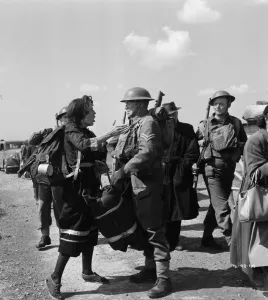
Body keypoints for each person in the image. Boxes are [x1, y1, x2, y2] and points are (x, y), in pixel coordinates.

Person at [45, 95, 128, 300]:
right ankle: (54, 278)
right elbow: (83, 145)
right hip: (74, 191)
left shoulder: (87, 131)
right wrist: (110, 133)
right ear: (82, 114)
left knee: (90, 232)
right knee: (73, 233)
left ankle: (87, 271)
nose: (95, 114)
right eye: (91, 111)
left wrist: (99, 162)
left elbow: (93, 153)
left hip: (89, 188)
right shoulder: (70, 130)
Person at [108, 87, 172, 299]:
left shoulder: (148, 123)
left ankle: (163, 279)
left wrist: (123, 170)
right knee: (143, 229)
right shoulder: (133, 124)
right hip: (135, 183)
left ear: (142, 104)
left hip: (146, 184)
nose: (126, 106)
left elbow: (148, 151)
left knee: (154, 229)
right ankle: (150, 268)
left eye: (130, 102)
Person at [196, 90, 247, 250]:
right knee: (222, 208)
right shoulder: (204, 125)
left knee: (216, 204)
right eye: (216, 103)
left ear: (228, 105)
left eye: (222, 103)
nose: (218, 106)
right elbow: (192, 145)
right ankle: (235, 245)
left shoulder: (236, 123)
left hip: (229, 170)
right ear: (212, 105)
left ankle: (206, 238)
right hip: (212, 171)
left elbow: (244, 144)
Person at [230, 107, 268, 289]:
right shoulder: (256, 141)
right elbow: (254, 175)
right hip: (260, 198)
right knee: (259, 243)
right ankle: (259, 275)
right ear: (266, 119)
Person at [160, 102, 199, 252]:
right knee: (162, 208)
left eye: (174, 114)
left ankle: (174, 241)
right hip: (162, 173)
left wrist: (182, 169)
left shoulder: (187, 129)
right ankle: (162, 240)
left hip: (179, 172)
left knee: (177, 209)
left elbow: (192, 152)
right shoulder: (158, 129)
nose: (172, 117)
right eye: (168, 115)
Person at [28, 106, 68, 249]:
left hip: (59, 178)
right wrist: (43, 132)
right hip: (44, 177)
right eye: (64, 117)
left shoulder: (70, 134)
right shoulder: (50, 134)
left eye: (68, 117)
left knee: (60, 209)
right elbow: (31, 141)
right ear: (59, 119)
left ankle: (63, 237)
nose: (66, 120)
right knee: (43, 208)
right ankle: (45, 237)